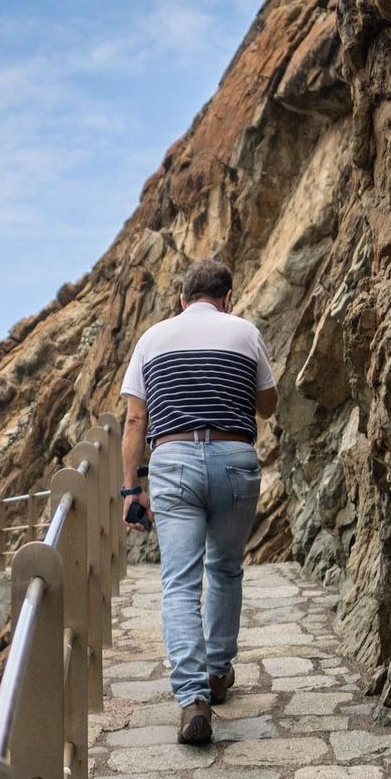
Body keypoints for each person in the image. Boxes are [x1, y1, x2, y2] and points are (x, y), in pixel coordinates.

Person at [118, 257, 277, 745]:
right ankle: (217, 672)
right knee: (225, 569)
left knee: (180, 582)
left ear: (182, 298)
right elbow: (268, 405)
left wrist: (131, 491)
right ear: (226, 297)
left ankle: (192, 700)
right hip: (234, 459)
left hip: (173, 462)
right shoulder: (245, 332)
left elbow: (134, 422)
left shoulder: (151, 339)